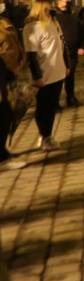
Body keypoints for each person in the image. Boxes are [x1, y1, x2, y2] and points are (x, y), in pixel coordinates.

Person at [24, 0, 69, 151]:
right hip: (44, 74)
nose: (53, 10)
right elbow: (31, 55)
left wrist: (67, 65)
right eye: (49, 8)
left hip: (58, 72)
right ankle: (44, 136)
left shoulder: (54, 24)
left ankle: (47, 135)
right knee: (43, 108)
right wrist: (37, 76)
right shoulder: (32, 27)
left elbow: (63, 45)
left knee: (51, 108)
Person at [0, 13, 27, 169]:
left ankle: (2, 153)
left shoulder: (4, 21)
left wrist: (18, 63)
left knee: (6, 113)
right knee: (3, 114)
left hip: (6, 71)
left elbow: (13, 44)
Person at [54, 0, 84, 108]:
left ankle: (70, 97)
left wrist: (81, 46)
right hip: (59, 50)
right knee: (57, 77)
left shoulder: (73, 15)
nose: (68, 3)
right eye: (66, 1)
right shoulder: (55, 16)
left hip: (72, 50)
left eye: (69, 1)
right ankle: (55, 101)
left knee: (70, 76)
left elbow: (80, 31)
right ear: (59, 2)